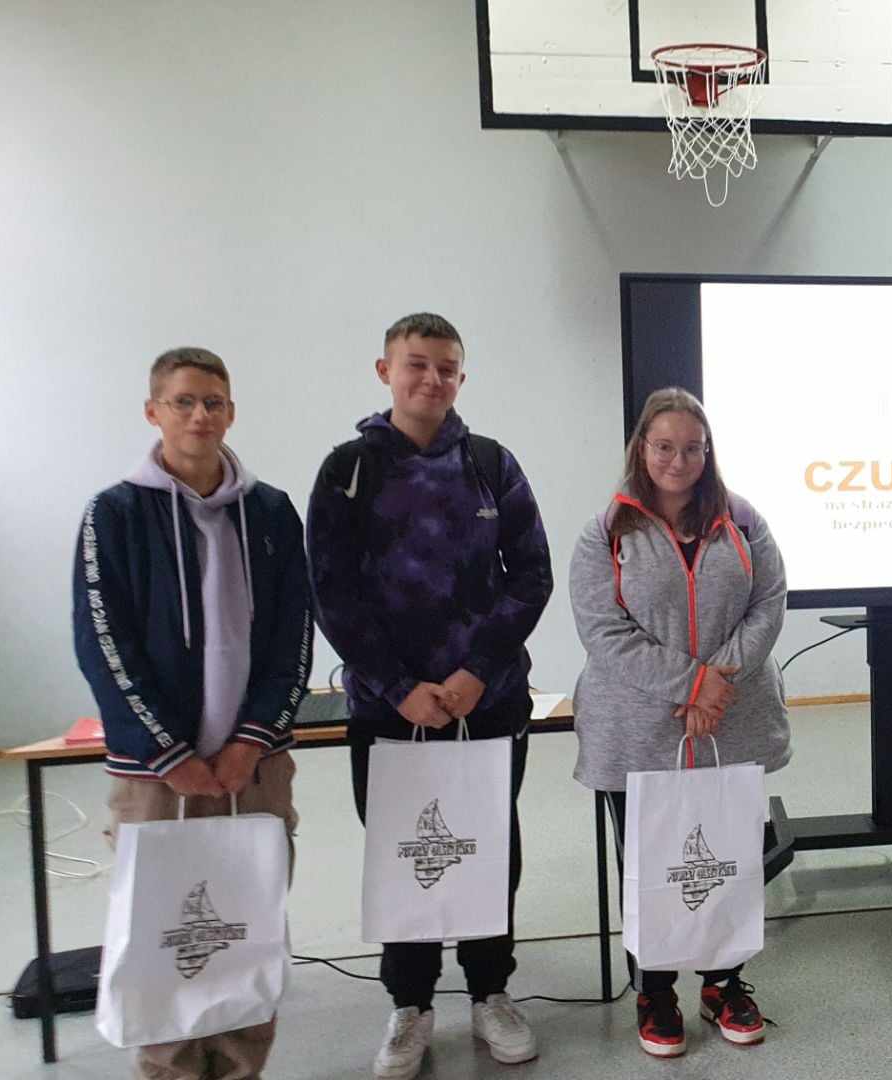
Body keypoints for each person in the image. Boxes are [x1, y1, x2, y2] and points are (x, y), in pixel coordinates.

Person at [306, 313, 553, 1075]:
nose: (431, 379)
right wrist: (397, 685)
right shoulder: (348, 470)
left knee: (488, 844)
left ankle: (490, 991)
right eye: (416, 364)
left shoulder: (491, 464)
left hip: (488, 700)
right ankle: (409, 1005)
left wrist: (477, 670)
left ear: (461, 378)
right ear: (385, 371)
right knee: (406, 849)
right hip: (389, 709)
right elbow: (331, 592)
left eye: (446, 368)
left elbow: (531, 575)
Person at [72, 347, 313, 1080]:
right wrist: (169, 753)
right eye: (183, 402)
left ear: (231, 413)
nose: (200, 415)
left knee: (244, 923)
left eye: (213, 402)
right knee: (164, 931)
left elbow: (294, 637)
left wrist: (249, 741)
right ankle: (169, 1069)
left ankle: (242, 1067)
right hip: (157, 775)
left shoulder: (270, 512)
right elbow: (103, 643)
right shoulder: (115, 513)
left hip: (253, 768)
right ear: (154, 411)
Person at [569, 387, 788, 1058]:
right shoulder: (605, 531)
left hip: (731, 721)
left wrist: (718, 681)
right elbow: (603, 630)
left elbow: (769, 601)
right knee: (651, 863)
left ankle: (724, 983)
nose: (678, 460)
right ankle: (655, 991)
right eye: (664, 446)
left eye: (693, 448)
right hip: (638, 729)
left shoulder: (742, 521)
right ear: (642, 447)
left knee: (730, 854)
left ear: (708, 451)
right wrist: (691, 683)